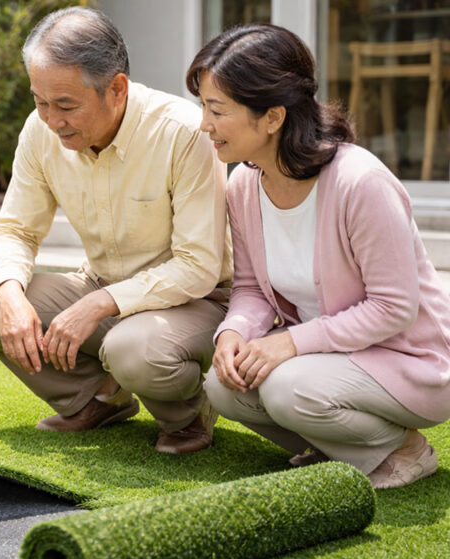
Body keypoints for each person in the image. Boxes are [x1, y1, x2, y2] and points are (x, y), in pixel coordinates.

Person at [188, 23, 450, 488]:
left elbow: (394, 308)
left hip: (410, 362)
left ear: (272, 117)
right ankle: (337, 447)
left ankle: (405, 450)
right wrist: (233, 333)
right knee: (223, 387)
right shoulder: (244, 185)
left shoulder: (360, 183)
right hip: (331, 358)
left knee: (288, 389)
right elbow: (251, 289)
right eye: (204, 107)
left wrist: (290, 342)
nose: (204, 124)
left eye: (217, 110)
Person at [0, 7, 232, 454]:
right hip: (102, 285)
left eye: (65, 105)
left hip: (198, 300)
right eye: (39, 101)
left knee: (133, 348)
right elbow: (15, 228)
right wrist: (10, 294)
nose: (51, 120)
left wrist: (100, 303)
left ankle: (189, 412)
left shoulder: (183, 132)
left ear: (116, 89)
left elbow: (198, 267)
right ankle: (97, 399)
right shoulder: (40, 130)